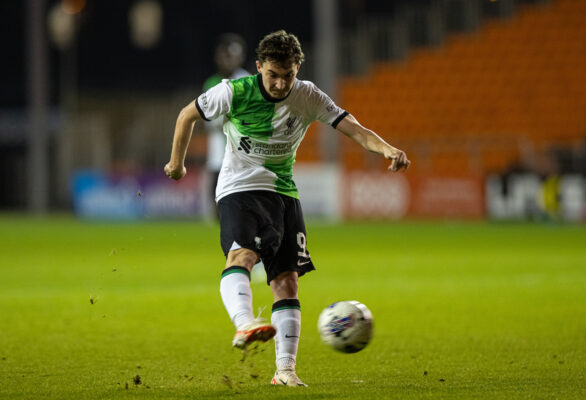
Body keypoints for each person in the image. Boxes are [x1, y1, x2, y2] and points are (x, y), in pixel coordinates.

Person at [164, 30, 410, 387]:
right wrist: (177, 164)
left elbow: (352, 128)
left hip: (283, 193)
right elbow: (187, 115)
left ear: (298, 69)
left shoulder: (308, 95)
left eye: (288, 75)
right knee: (242, 256)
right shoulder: (234, 91)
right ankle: (245, 323)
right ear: (259, 66)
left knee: (287, 282)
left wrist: (386, 149)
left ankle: (285, 372)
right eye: (273, 75)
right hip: (239, 188)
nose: (280, 83)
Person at [203, 34, 250, 209]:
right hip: (217, 154)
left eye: (232, 56)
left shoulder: (246, 80)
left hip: (241, 152)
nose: (227, 60)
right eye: (225, 55)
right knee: (216, 202)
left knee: (240, 203)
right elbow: (209, 120)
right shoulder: (211, 83)